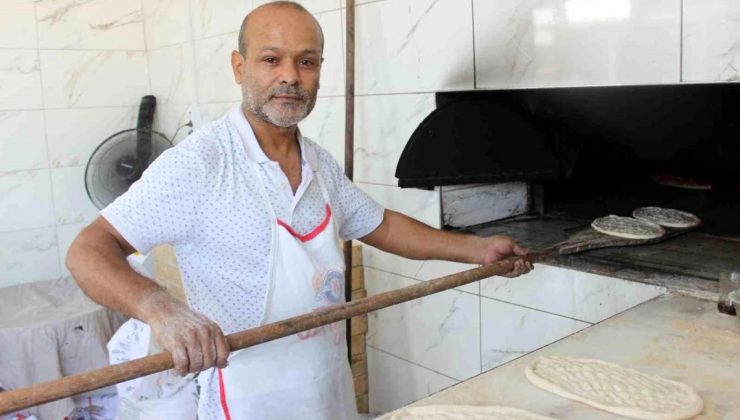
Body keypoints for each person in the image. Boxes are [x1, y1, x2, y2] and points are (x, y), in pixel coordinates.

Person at [66, 1, 532, 419]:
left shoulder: (318, 163)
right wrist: (161, 310)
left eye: (306, 62)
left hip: (327, 390)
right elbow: (88, 250)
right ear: (239, 66)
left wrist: (479, 249)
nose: (290, 76)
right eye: (271, 59)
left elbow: (383, 226)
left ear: (319, 71)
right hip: (248, 401)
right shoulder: (201, 164)